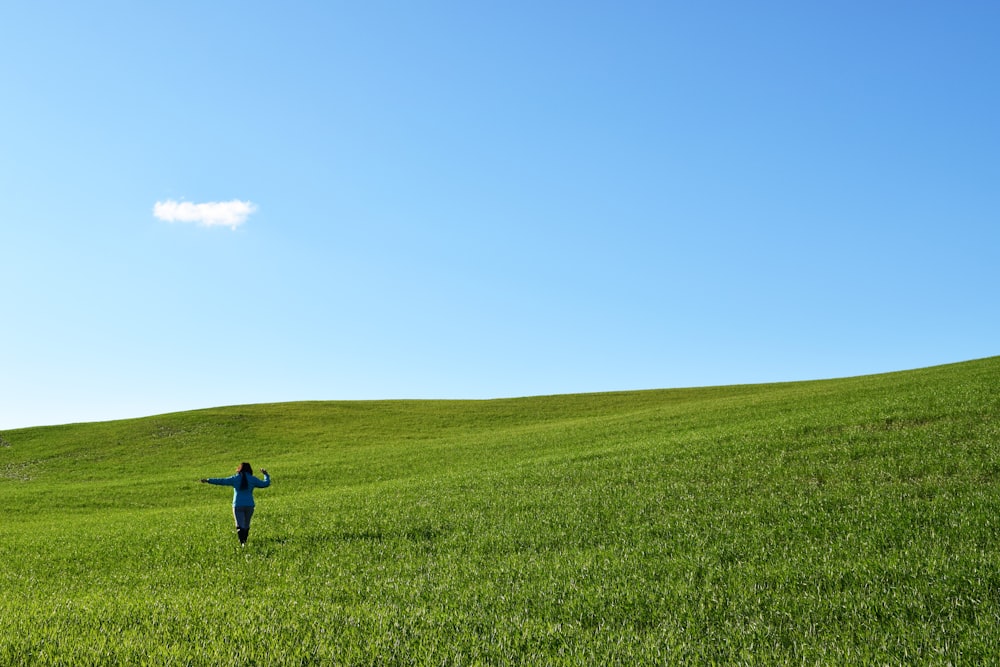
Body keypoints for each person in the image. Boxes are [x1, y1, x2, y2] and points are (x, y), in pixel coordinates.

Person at [201, 462, 271, 546]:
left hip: (238, 504)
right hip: (249, 505)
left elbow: (222, 481)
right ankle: (244, 541)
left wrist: (208, 480)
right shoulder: (252, 479)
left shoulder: (235, 478)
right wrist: (266, 475)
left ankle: (242, 543)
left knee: (239, 525)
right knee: (246, 524)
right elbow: (265, 484)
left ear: (239, 469)